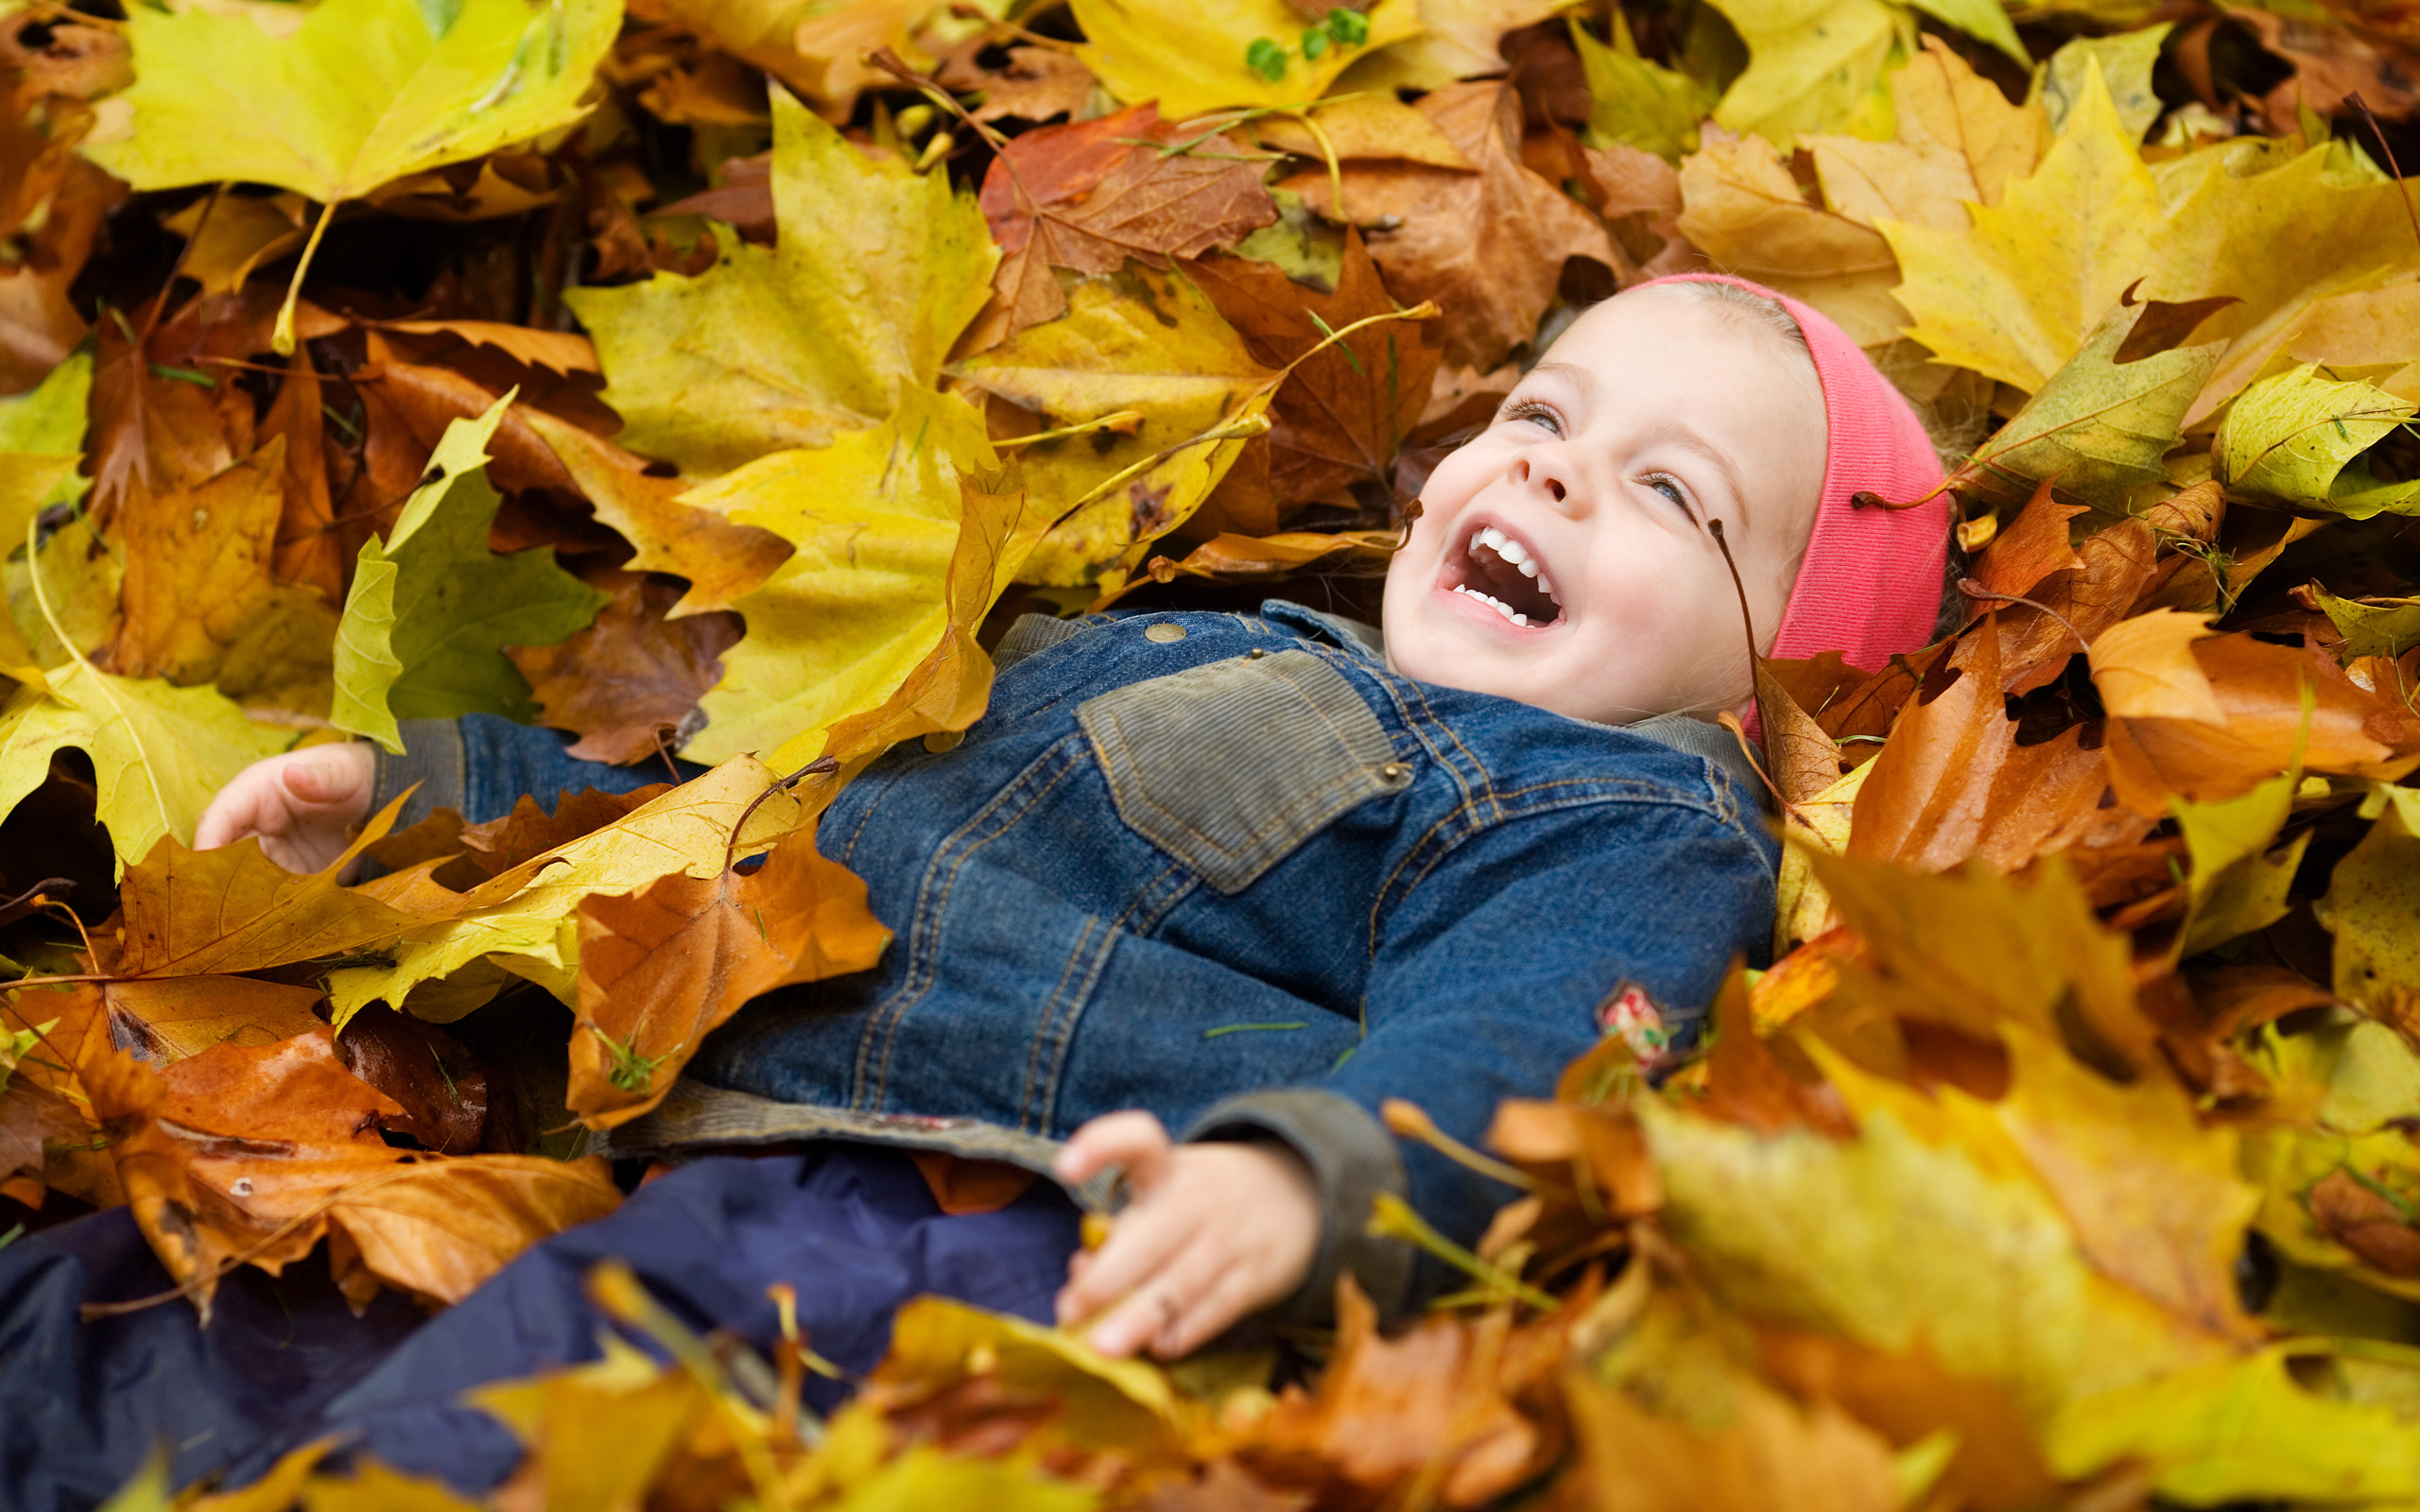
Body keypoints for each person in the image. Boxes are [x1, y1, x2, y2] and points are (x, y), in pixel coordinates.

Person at [2, 274, 1949, 1504]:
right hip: (675, 1127)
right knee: (127, 1333)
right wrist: (439, 800)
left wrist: (1305, 1173)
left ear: (1782, 675)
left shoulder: (1611, 807)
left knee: (526, 1434)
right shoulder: (1192, 640)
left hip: (964, 1226)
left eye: (1677, 495)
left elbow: (1528, 1029)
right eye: (1539, 416)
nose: (1555, 476)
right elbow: (751, 800)